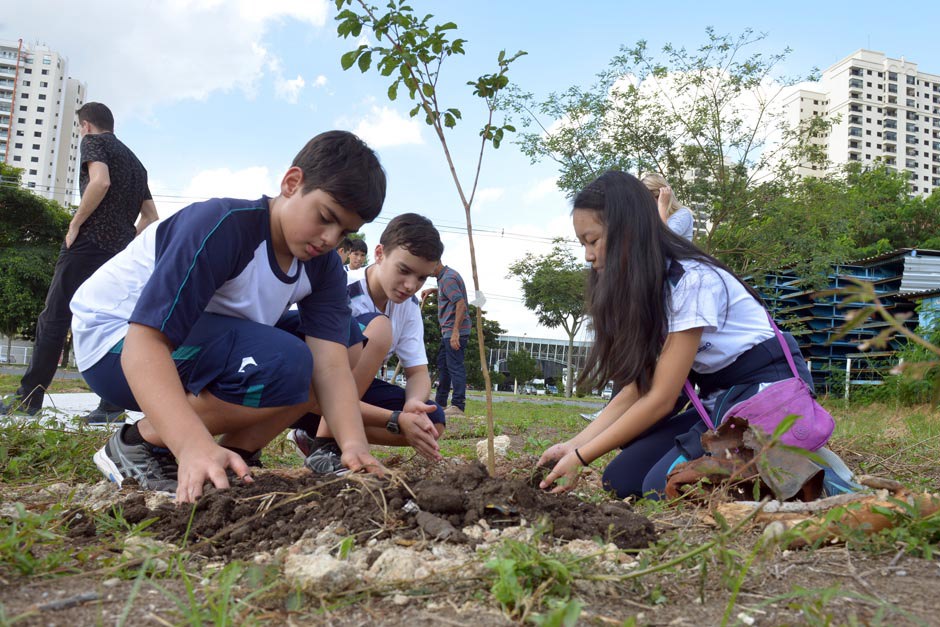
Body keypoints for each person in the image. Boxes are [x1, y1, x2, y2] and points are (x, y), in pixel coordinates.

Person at [70, 130, 387, 503]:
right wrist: (191, 443)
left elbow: (331, 366)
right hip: (115, 344)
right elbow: (145, 343)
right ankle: (139, 443)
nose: (331, 239)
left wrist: (353, 445)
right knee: (287, 360)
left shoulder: (322, 265)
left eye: (345, 231)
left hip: (195, 340)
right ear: (291, 183)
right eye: (325, 218)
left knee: (344, 342)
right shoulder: (222, 225)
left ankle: (235, 455)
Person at [538, 170, 816, 499]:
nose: (588, 254)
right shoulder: (651, 286)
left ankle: (797, 462)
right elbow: (637, 389)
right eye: (583, 243)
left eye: (593, 240)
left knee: (663, 487)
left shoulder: (691, 280)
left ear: (628, 231)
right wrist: (574, 445)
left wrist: (581, 458)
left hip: (768, 394)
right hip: (719, 402)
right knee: (620, 480)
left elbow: (661, 400)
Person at [0, 102, 157, 421]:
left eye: (79, 128)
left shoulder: (94, 142)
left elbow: (100, 181)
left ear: (86, 125)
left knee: (55, 317)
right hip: (117, 254)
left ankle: (29, 399)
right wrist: (126, 240)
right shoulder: (136, 163)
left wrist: (75, 224)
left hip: (87, 243)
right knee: (112, 323)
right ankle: (111, 405)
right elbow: (151, 216)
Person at [290, 213, 446, 472]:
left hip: (349, 395)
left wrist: (413, 404)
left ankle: (310, 435)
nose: (411, 285)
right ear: (380, 254)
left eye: (421, 278)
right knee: (379, 327)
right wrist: (394, 418)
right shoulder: (340, 285)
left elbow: (418, 372)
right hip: (309, 388)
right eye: (404, 270)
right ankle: (326, 447)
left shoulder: (408, 307)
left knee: (433, 422)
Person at [579, 170, 695, 423]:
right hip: (656, 291)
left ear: (660, 194)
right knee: (632, 356)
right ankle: (612, 412)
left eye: (649, 197)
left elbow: (660, 241)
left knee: (665, 368)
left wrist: (661, 207)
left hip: (676, 294)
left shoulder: (683, 215)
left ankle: (652, 414)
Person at [422, 261, 471, 417]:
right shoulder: (445, 278)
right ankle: (440, 403)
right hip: (448, 331)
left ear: (434, 262)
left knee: (455, 366)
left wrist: (456, 332)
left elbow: (460, 304)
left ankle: (458, 405)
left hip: (454, 331)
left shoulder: (448, 278)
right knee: (444, 365)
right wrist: (434, 290)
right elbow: (450, 293)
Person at [639, 171, 694, 242]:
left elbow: (664, 240)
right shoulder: (649, 216)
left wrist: (662, 205)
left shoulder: (683, 214)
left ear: (661, 196)